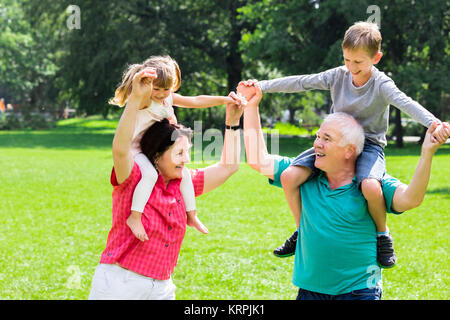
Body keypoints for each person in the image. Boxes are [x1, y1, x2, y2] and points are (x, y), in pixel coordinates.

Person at [240, 21, 448, 267]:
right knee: (289, 177)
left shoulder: (382, 85)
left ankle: (383, 234)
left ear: (376, 57)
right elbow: (301, 82)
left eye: (358, 62)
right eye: (347, 60)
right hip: (334, 141)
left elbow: (406, 103)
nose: (351, 67)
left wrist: (433, 123)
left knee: (371, 187)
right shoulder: (338, 76)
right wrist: (261, 86)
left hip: (368, 145)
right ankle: (302, 230)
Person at [240, 84, 450, 300]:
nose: (317, 145)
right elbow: (257, 159)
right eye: (318, 137)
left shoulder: (371, 183)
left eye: (327, 139)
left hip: (360, 290)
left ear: (349, 150)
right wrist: (252, 106)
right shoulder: (304, 175)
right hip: (311, 290)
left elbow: (411, 199)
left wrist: (427, 153)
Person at [89, 67, 245, 299]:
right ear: (157, 154)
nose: (187, 159)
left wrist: (232, 122)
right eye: (179, 152)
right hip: (120, 284)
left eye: (188, 152)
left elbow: (228, 167)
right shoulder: (133, 178)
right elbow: (121, 150)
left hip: (162, 288)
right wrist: (134, 100)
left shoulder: (183, 183)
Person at [109, 55, 244, 242]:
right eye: (156, 88)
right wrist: (139, 90)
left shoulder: (167, 98)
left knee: (185, 175)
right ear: (148, 84)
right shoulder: (145, 100)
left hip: (155, 150)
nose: (162, 94)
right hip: (137, 152)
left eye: (166, 89)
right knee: (149, 175)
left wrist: (224, 100)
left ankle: (192, 214)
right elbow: (131, 110)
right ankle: (135, 216)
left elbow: (196, 100)